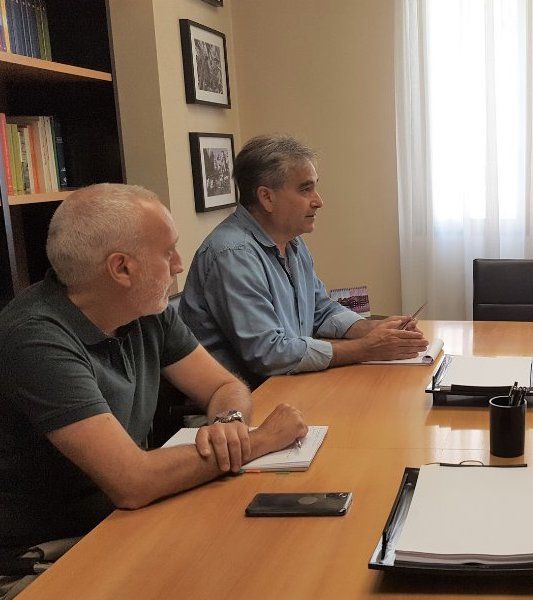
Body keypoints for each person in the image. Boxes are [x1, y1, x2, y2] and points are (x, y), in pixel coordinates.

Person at [0, 185, 307, 566]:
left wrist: (229, 424)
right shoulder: (34, 339)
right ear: (121, 268)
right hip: (48, 553)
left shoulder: (144, 308)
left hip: (120, 520)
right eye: (167, 252)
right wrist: (261, 440)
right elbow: (133, 482)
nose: (179, 264)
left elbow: (224, 385)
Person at [180, 135, 428, 388]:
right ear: (266, 197)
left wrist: (373, 329)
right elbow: (269, 354)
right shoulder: (233, 254)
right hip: (245, 400)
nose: (318, 201)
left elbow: (321, 309)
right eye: (305, 189)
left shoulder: (291, 242)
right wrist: (365, 349)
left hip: (287, 384)